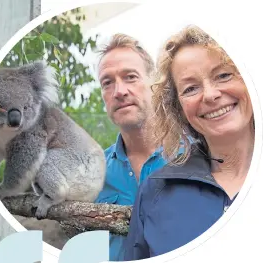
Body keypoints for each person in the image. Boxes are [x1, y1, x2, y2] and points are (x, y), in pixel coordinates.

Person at [123, 25, 254, 260]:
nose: (210, 94)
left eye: (223, 75)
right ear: (179, 109)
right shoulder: (155, 192)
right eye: (191, 88)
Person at [94, 34, 183, 261]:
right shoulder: (93, 172)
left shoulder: (197, 156)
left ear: (154, 83)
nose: (119, 91)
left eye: (130, 77)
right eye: (107, 82)